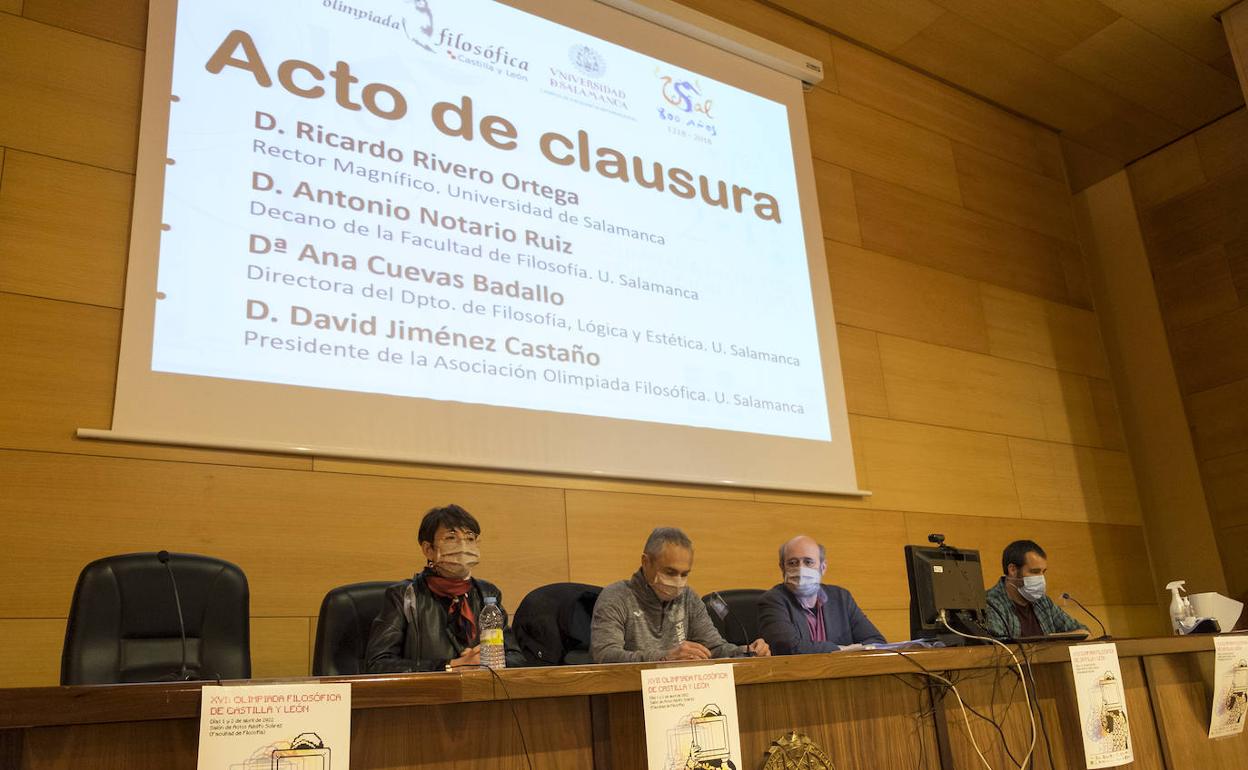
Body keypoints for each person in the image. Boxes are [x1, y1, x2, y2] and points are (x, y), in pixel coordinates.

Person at [365, 504, 525, 672]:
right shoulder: (403, 596)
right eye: (451, 538)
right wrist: (451, 666)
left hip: (479, 692)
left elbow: (517, 659)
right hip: (427, 695)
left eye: (470, 538)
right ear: (428, 550)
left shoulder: (487, 594)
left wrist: (487, 661)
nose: (463, 547)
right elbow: (377, 664)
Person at [591, 527, 771, 662]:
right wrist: (665, 658)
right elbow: (605, 655)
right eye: (670, 572)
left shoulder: (688, 598)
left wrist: (745, 652)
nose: (678, 581)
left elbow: (714, 648)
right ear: (646, 562)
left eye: (684, 574)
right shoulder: (616, 597)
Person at [757, 535, 885, 653]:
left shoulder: (841, 598)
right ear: (782, 568)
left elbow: (876, 642)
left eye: (808, 562)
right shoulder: (772, 600)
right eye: (792, 563)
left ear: (823, 568)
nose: (801, 569)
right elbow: (787, 647)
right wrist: (841, 649)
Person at [983, 539, 1087, 639]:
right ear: (1013, 570)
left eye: (1043, 572)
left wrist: (1052, 639)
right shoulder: (990, 603)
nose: (1041, 578)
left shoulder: (1043, 602)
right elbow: (998, 649)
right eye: (1035, 572)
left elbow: (1084, 633)